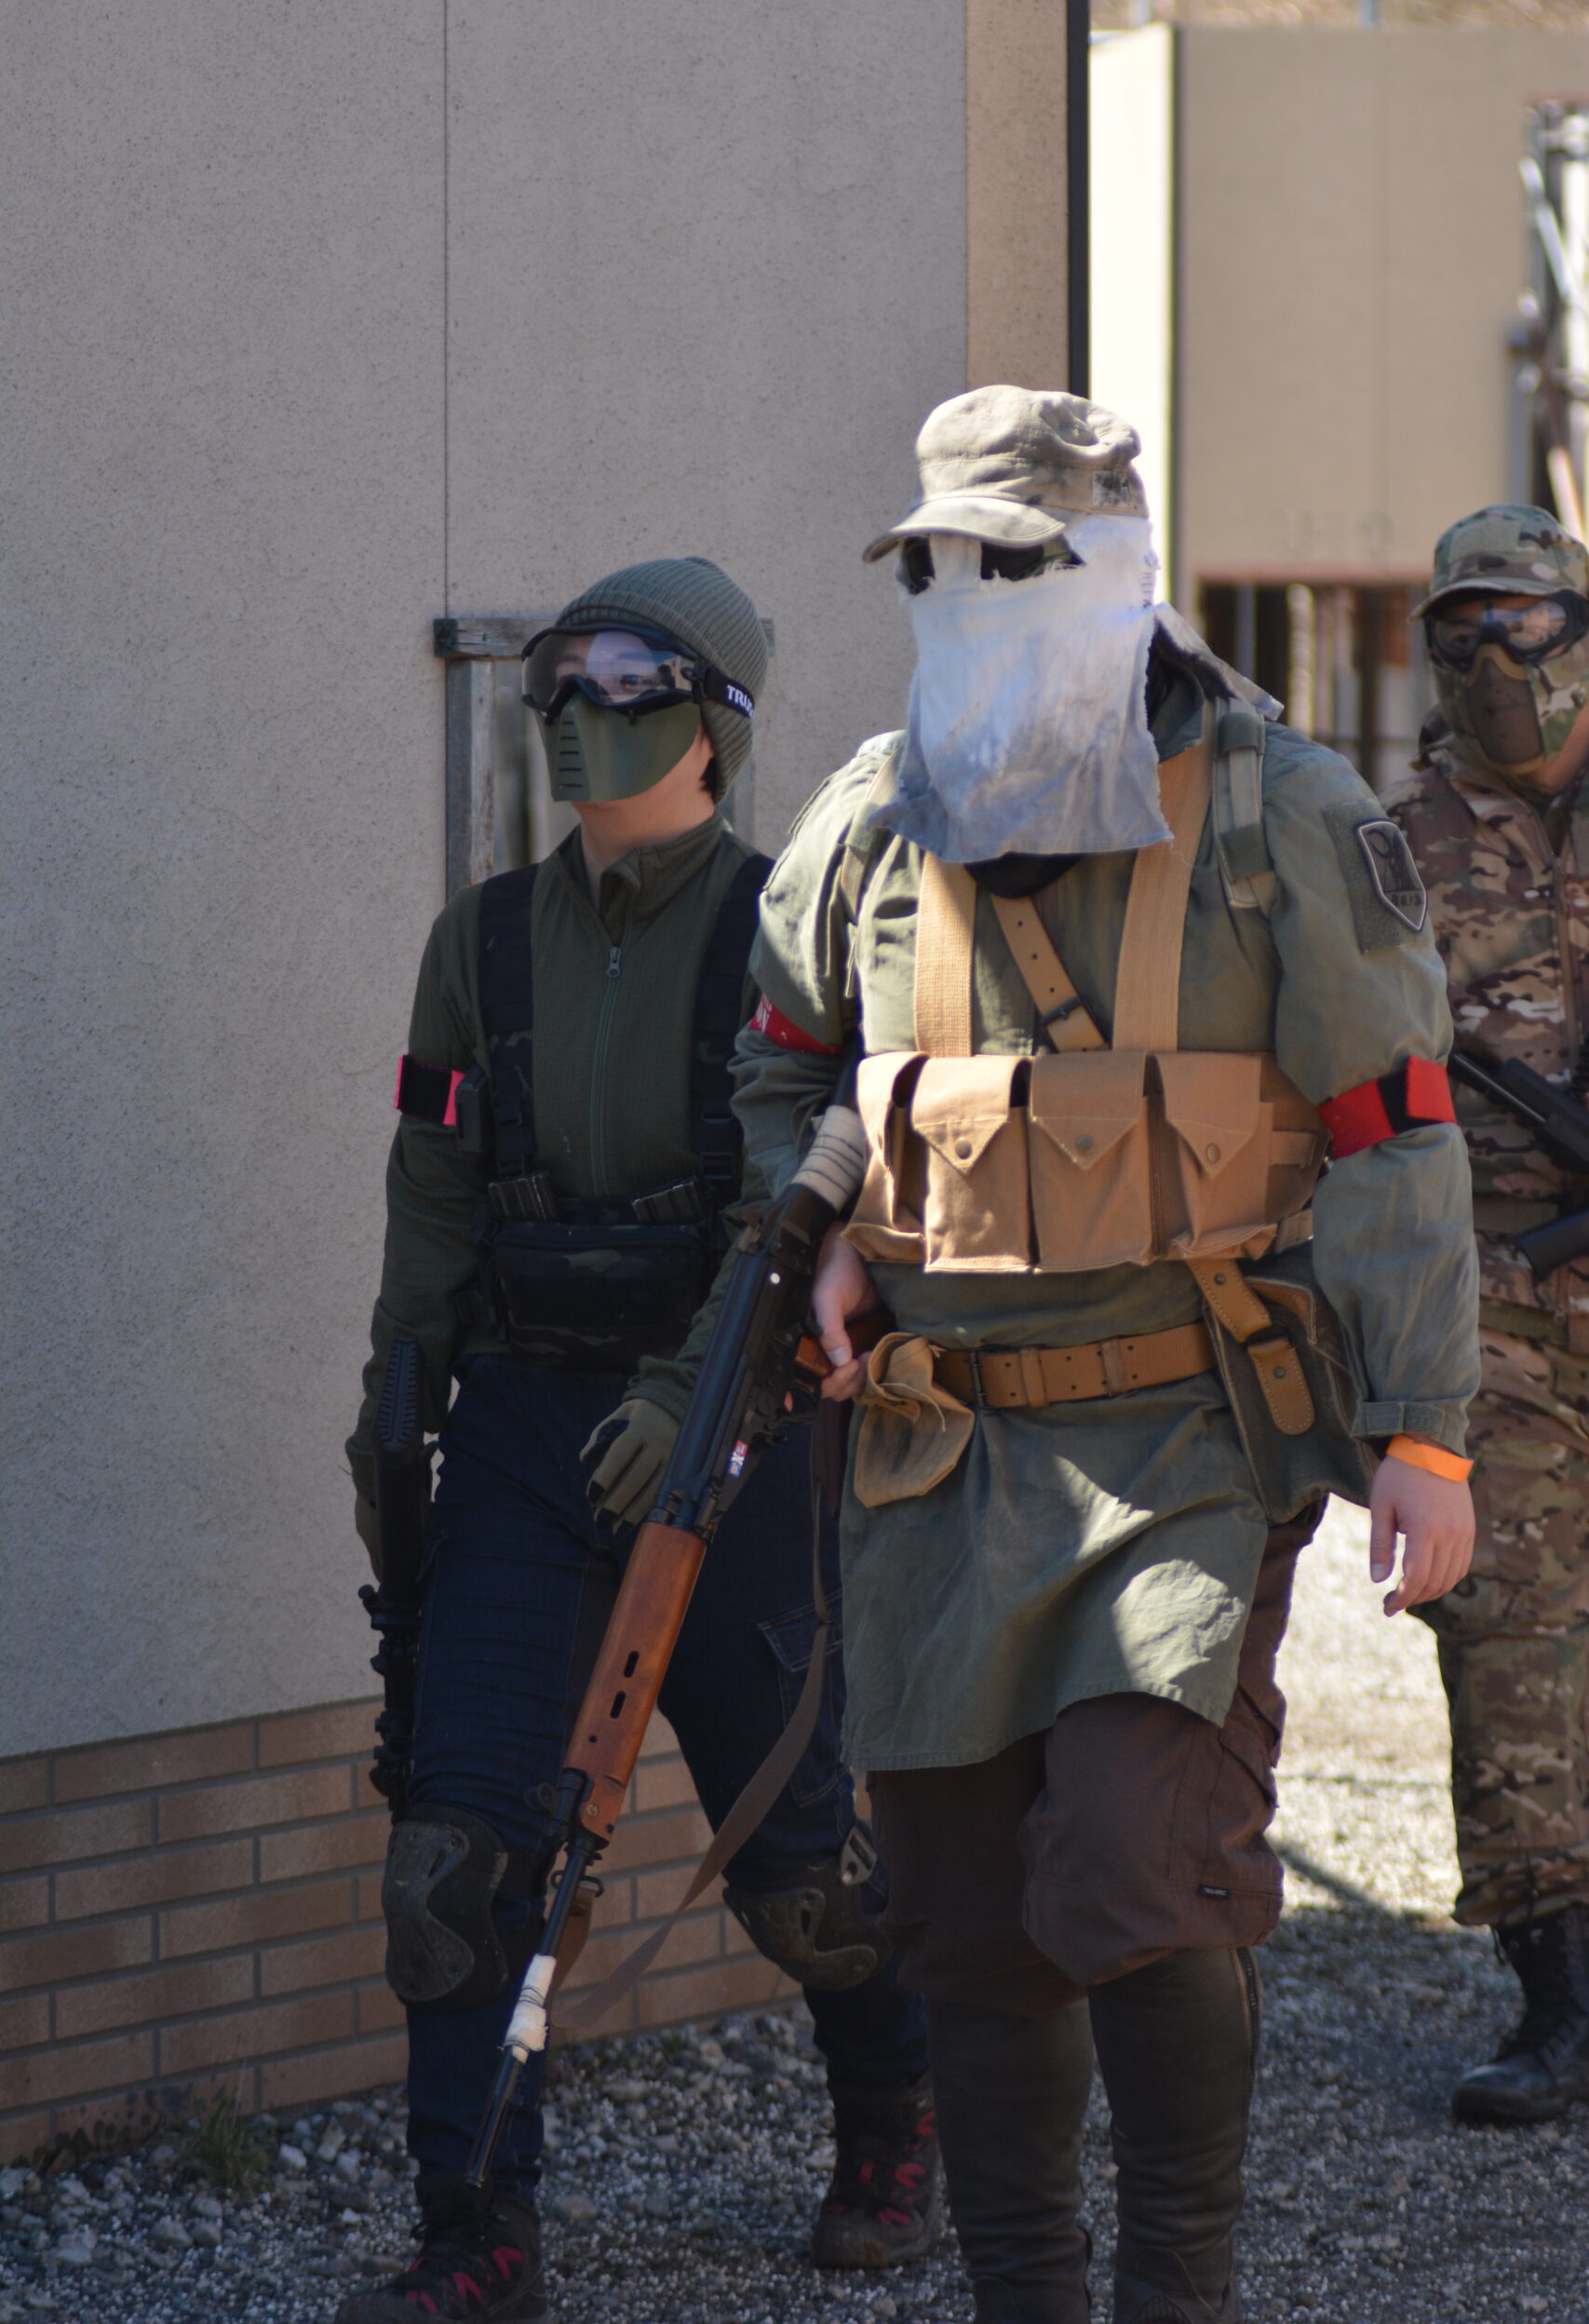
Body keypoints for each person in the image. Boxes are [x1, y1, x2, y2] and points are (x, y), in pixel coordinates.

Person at [728, 387, 1480, 2324]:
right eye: (937, 568)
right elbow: (785, 1059)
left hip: (1187, 1434)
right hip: (935, 1448)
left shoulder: (1279, 815)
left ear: (1110, 568)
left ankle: (1178, 2297)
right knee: (965, 1924)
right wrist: (816, 1239)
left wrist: (1424, 1431)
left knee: (1138, 1875)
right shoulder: (866, 821)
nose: (969, 598)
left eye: (1014, 562)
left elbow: (1394, 1129)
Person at [341, 556, 934, 2324]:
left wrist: (693, 1394)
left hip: (729, 1424)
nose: (577, 717)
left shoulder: (779, 930)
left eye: (626, 685)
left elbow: (792, 1193)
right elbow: (435, 1183)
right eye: (561, 684)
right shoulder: (480, 942)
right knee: (456, 1862)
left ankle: (893, 2110)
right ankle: (478, 2234)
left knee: (800, 1868)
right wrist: (396, 1392)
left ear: (713, 726)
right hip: (524, 1431)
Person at [1383, 504, 1589, 2126]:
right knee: (1511, 1635)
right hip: (1494, 1286)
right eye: (1464, 634)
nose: (1497, 661)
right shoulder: (1388, 853)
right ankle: (1558, 2005)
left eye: (1525, 626)